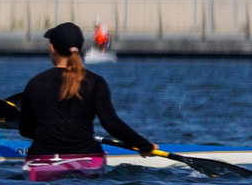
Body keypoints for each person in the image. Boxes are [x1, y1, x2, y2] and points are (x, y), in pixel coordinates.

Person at [11, 22, 154, 172]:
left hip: (42, 158)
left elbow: (25, 130)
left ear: (52, 48)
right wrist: (144, 145)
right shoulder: (96, 82)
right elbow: (112, 124)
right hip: (87, 157)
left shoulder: (35, 83)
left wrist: (50, 132)